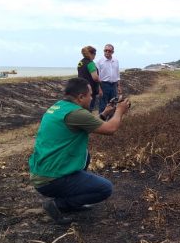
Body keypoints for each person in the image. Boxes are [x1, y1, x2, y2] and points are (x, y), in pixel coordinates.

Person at [29, 77, 131, 225]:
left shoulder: (58, 107)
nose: (92, 98)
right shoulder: (76, 113)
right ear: (81, 97)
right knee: (105, 189)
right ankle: (58, 204)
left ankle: (72, 199)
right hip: (51, 180)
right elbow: (110, 129)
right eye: (90, 95)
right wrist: (120, 111)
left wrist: (105, 113)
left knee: (85, 155)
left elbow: (82, 125)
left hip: (42, 172)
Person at [96, 43, 121, 114]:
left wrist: (119, 86)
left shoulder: (116, 61)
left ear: (112, 52)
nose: (107, 52)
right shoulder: (99, 61)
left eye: (109, 51)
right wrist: (99, 88)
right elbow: (97, 76)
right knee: (103, 105)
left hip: (113, 85)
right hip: (103, 85)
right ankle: (102, 122)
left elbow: (117, 73)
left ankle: (111, 121)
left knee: (113, 104)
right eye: (105, 50)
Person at [77, 45, 102, 111]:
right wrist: (101, 81)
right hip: (90, 89)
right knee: (89, 109)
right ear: (92, 54)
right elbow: (95, 77)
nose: (95, 56)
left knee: (81, 108)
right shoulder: (90, 63)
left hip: (81, 88)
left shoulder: (81, 62)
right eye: (95, 54)